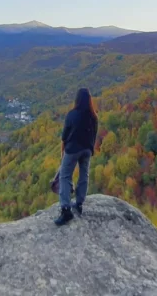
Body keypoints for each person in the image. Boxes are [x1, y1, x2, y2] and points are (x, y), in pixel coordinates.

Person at [54, 88, 98, 226]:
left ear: (77, 100)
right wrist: (90, 149)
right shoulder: (93, 117)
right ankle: (79, 203)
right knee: (84, 174)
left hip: (73, 149)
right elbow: (94, 136)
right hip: (86, 149)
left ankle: (66, 209)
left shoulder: (72, 115)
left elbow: (64, 137)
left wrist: (63, 153)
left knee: (65, 176)